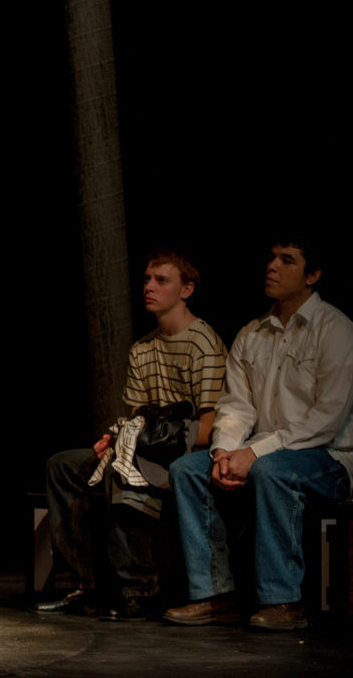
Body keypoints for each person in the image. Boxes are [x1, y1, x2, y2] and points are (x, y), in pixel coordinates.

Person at [164, 234, 353, 631]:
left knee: (271, 472)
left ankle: (284, 601)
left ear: (313, 275)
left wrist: (255, 454)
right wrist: (223, 452)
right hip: (264, 452)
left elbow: (326, 419)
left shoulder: (336, 330)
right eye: (271, 258)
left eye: (287, 260)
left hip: (329, 458)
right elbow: (237, 405)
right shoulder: (253, 333)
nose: (272, 266)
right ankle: (214, 595)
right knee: (188, 469)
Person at [39, 251, 227, 620]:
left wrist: (145, 443)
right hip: (147, 444)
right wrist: (117, 438)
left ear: (186, 289)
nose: (149, 287)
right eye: (146, 279)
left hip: (183, 450)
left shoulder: (203, 344)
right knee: (63, 465)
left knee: (124, 470)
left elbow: (212, 425)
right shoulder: (143, 348)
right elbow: (137, 415)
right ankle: (79, 585)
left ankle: (139, 589)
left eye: (161, 280)